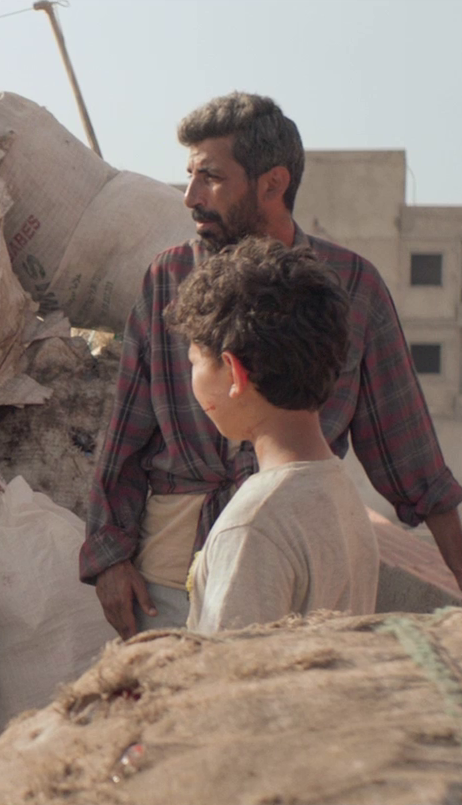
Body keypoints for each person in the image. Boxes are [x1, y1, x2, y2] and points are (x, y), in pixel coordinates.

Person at [84, 91, 462, 639]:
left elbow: (406, 442)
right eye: (189, 175)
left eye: (210, 177)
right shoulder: (169, 278)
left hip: (302, 564)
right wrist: (109, 556)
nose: (190, 196)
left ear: (273, 184)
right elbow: (125, 434)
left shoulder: (350, 285)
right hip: (167, 582)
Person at [166, 237, 378, 632]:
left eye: (195, 361)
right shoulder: (339, 490)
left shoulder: (253, 526)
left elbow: (227, 669)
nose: (192, 377)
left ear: (234, 373)